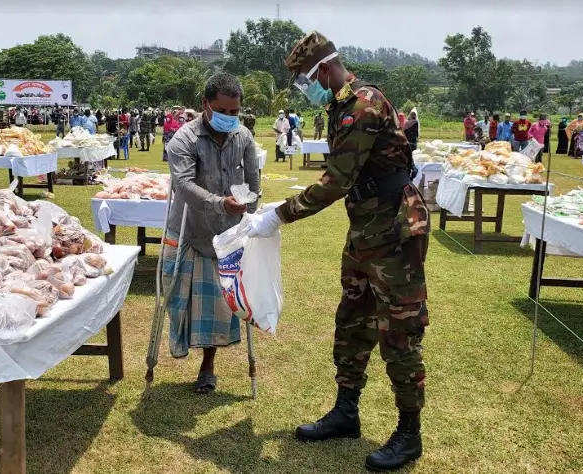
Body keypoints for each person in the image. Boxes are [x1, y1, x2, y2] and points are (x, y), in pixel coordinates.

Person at [248, 31, 428, 472]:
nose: (305, 87)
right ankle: (346, 411)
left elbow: (338, 179)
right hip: (366, 228)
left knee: (399, 330)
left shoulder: (363, 105)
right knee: (352, 319)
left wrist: (280, 214)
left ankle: (409, 433)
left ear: (325, 69)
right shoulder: (341, 105)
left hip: (394, 230)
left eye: (306, 78)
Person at [163, 72, 259, 395]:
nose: (231, 118)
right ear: (205, 104)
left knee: (218, 306)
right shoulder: (184, 140)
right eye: (224, 111)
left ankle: (208, 365)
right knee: (181, 301)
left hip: (226, 236)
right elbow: (185, 186)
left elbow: (253, 182)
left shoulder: (244, 137)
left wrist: (252, 211)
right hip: (192, 231)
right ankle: (181, 347)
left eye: (236, 112)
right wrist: (220, 203)